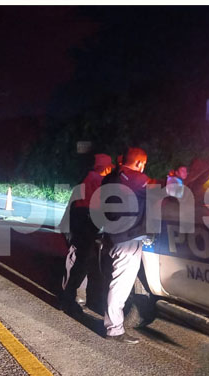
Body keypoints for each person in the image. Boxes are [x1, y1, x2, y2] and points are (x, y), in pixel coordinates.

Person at [97, 147, 152, 344]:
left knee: (114, 281)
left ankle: (113, 324)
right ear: (139, 163)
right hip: (128, 239)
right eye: (143, 164)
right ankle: (114, 329)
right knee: (120, 285)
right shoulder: (138, 179)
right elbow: (162, 194)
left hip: (111, 235)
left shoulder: (109, 179)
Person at [60, 153, 114, 315]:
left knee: (78, 261)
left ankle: (69, 297)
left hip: (77, 225)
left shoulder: (87, 178)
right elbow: (96, 207)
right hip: (83, 226)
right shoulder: (96, 181)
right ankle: (67, 299)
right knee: (79, 263)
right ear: (105, 167)